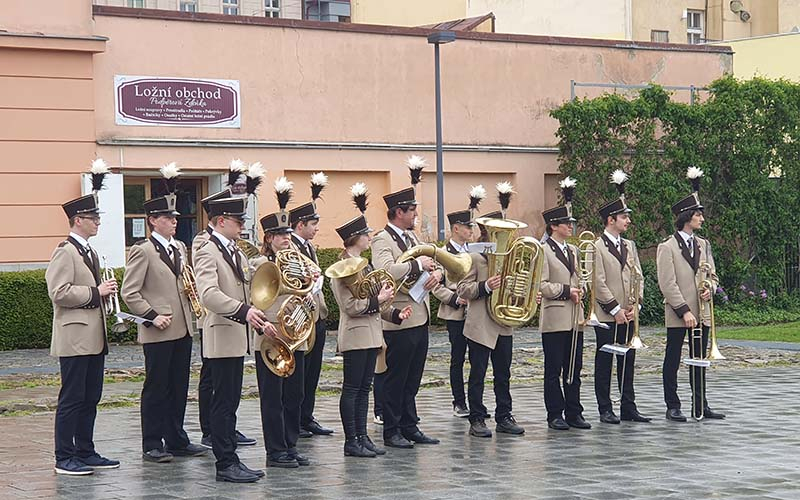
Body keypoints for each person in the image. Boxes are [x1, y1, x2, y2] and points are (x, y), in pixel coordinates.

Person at [121, 163, 207, 463]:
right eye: (168, 217)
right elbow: (129, 292)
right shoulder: (142, 250)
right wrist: (151, 314)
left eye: (175, 216)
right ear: (152, 221)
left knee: (179, 386)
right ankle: (151, 443)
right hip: (159, 327)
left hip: (183, 326)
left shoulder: (181, 247)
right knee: (156, 387)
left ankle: (176, 438)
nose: (174, 221)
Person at [46, 159, 120, 476]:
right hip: (75, 337)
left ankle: (85, 450)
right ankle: (64, 457)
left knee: (91, 397)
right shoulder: (65, 251)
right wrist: (96, 292)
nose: (98, 223)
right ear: (78, 220)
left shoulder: (89, 251)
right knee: (72, 398)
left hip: (93, 337)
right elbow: (58, 291)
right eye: (93, 218)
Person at [330, 183, 412, 457]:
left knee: (365, 388)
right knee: (353, 388)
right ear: (355, 237)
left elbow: (374, 302)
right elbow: (351, 305)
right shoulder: (343, 266)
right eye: (365, 233)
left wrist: (394, 312)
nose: (369, 236)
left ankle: (363, 436)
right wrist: (379, 301)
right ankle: (351, 440)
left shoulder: (363, 265)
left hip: (370, 333)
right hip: (354, 334)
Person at [370, 157, 443, 449]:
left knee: (413, 377)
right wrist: (416, 265)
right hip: (398, 316)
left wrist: (435, 273)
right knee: (395, 378)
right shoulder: (381, 240)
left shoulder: (412, 236)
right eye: (412, 210)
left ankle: (410, 424)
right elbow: (385, 270)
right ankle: (392, 429)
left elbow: (429, 262)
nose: (415, 214)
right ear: (398, 211)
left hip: (419, 313)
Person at [194, 196, 268, 483]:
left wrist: (256, 315)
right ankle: (225, 463)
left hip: (236, 335)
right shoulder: (207, 251)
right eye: (238, 221)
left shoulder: (233, 250)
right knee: (223, 403)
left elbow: (244, 287)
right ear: (221, 221)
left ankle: (231, 458)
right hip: (222, 335)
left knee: (231, 400)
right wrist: (244, 310)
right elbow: (208, 294)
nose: (242, 226)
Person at [251, 177, 315, 468]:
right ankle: (274, 450)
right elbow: (254, 297)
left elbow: (306, 290)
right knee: (272, 397)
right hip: (271, 335)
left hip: (296, 333)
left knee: (294, 394)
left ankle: (290, 445)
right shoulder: (258, 264)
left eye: (288, 233)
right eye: (279, 235)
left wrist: (311, 288)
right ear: (268, 238)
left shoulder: (300, 260)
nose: (286, 239)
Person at [658, 167, 725, 422]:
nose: (702, 219)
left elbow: (713, 275)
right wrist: (684, 310)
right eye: (698, 215)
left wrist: (710, 287)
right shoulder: (667, 247)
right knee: (673, 358)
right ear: (687, 217)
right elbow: (667, 283)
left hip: (702, 311)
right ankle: (672, 405)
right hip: (679, 312)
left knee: (699, 360)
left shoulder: (703, 244)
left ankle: (701, 404)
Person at [459, 205, 525, 438]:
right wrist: (486, 286)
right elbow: (462, 288)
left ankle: (504, 415)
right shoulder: (475, 258)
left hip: (503, 323)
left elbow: (518, 287)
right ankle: (476, 418)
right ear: (486, 233)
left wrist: (525, 294)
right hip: (481, 325)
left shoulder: (512, 259)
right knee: (478, 373)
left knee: (503, 374)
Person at [592, 170, 651, 425]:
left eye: (627, 217)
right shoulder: (596, 246)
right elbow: (598, 282)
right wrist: (615, 309)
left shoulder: (630, 246)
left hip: (629, 313)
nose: (628, 221)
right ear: (610, 219)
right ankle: (605, 407)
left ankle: (628, 405)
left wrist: (635, 303)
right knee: (605, 360)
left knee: (628, 359)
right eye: (624, 217)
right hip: (608, 313)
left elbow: (639, 275)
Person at [539, 177, 591, 431]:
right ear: (553, 226)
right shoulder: (543, 250)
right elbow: (541, 284)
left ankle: (574, 411)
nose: (571, 227)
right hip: (555, 317)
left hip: (575, 318)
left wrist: (580, 289)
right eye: (567, 223)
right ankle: (554, 413)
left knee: (575, 367)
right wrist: (567, 291)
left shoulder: (573, 250)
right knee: (554, 370)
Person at [288, 172, 333, 438]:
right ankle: (299, 418)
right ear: (300, 224)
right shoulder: (291, 246)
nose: (317, 228)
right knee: (301, 372)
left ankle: (307, 415)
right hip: (301, 316)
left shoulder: (309, 247)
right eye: (313, 224)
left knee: (313, 370)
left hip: (317, 315)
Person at [437, 186, 485, 418]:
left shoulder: (475, 252)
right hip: (455, 311)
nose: (470, 231)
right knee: (457, 358)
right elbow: (435, 285)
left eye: (472, 227)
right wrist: (456, 299)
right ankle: (459, 401)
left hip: (476, 311)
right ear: (456, 228)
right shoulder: (442, 252)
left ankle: (477, 402)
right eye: (467, 227)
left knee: (477, 359)